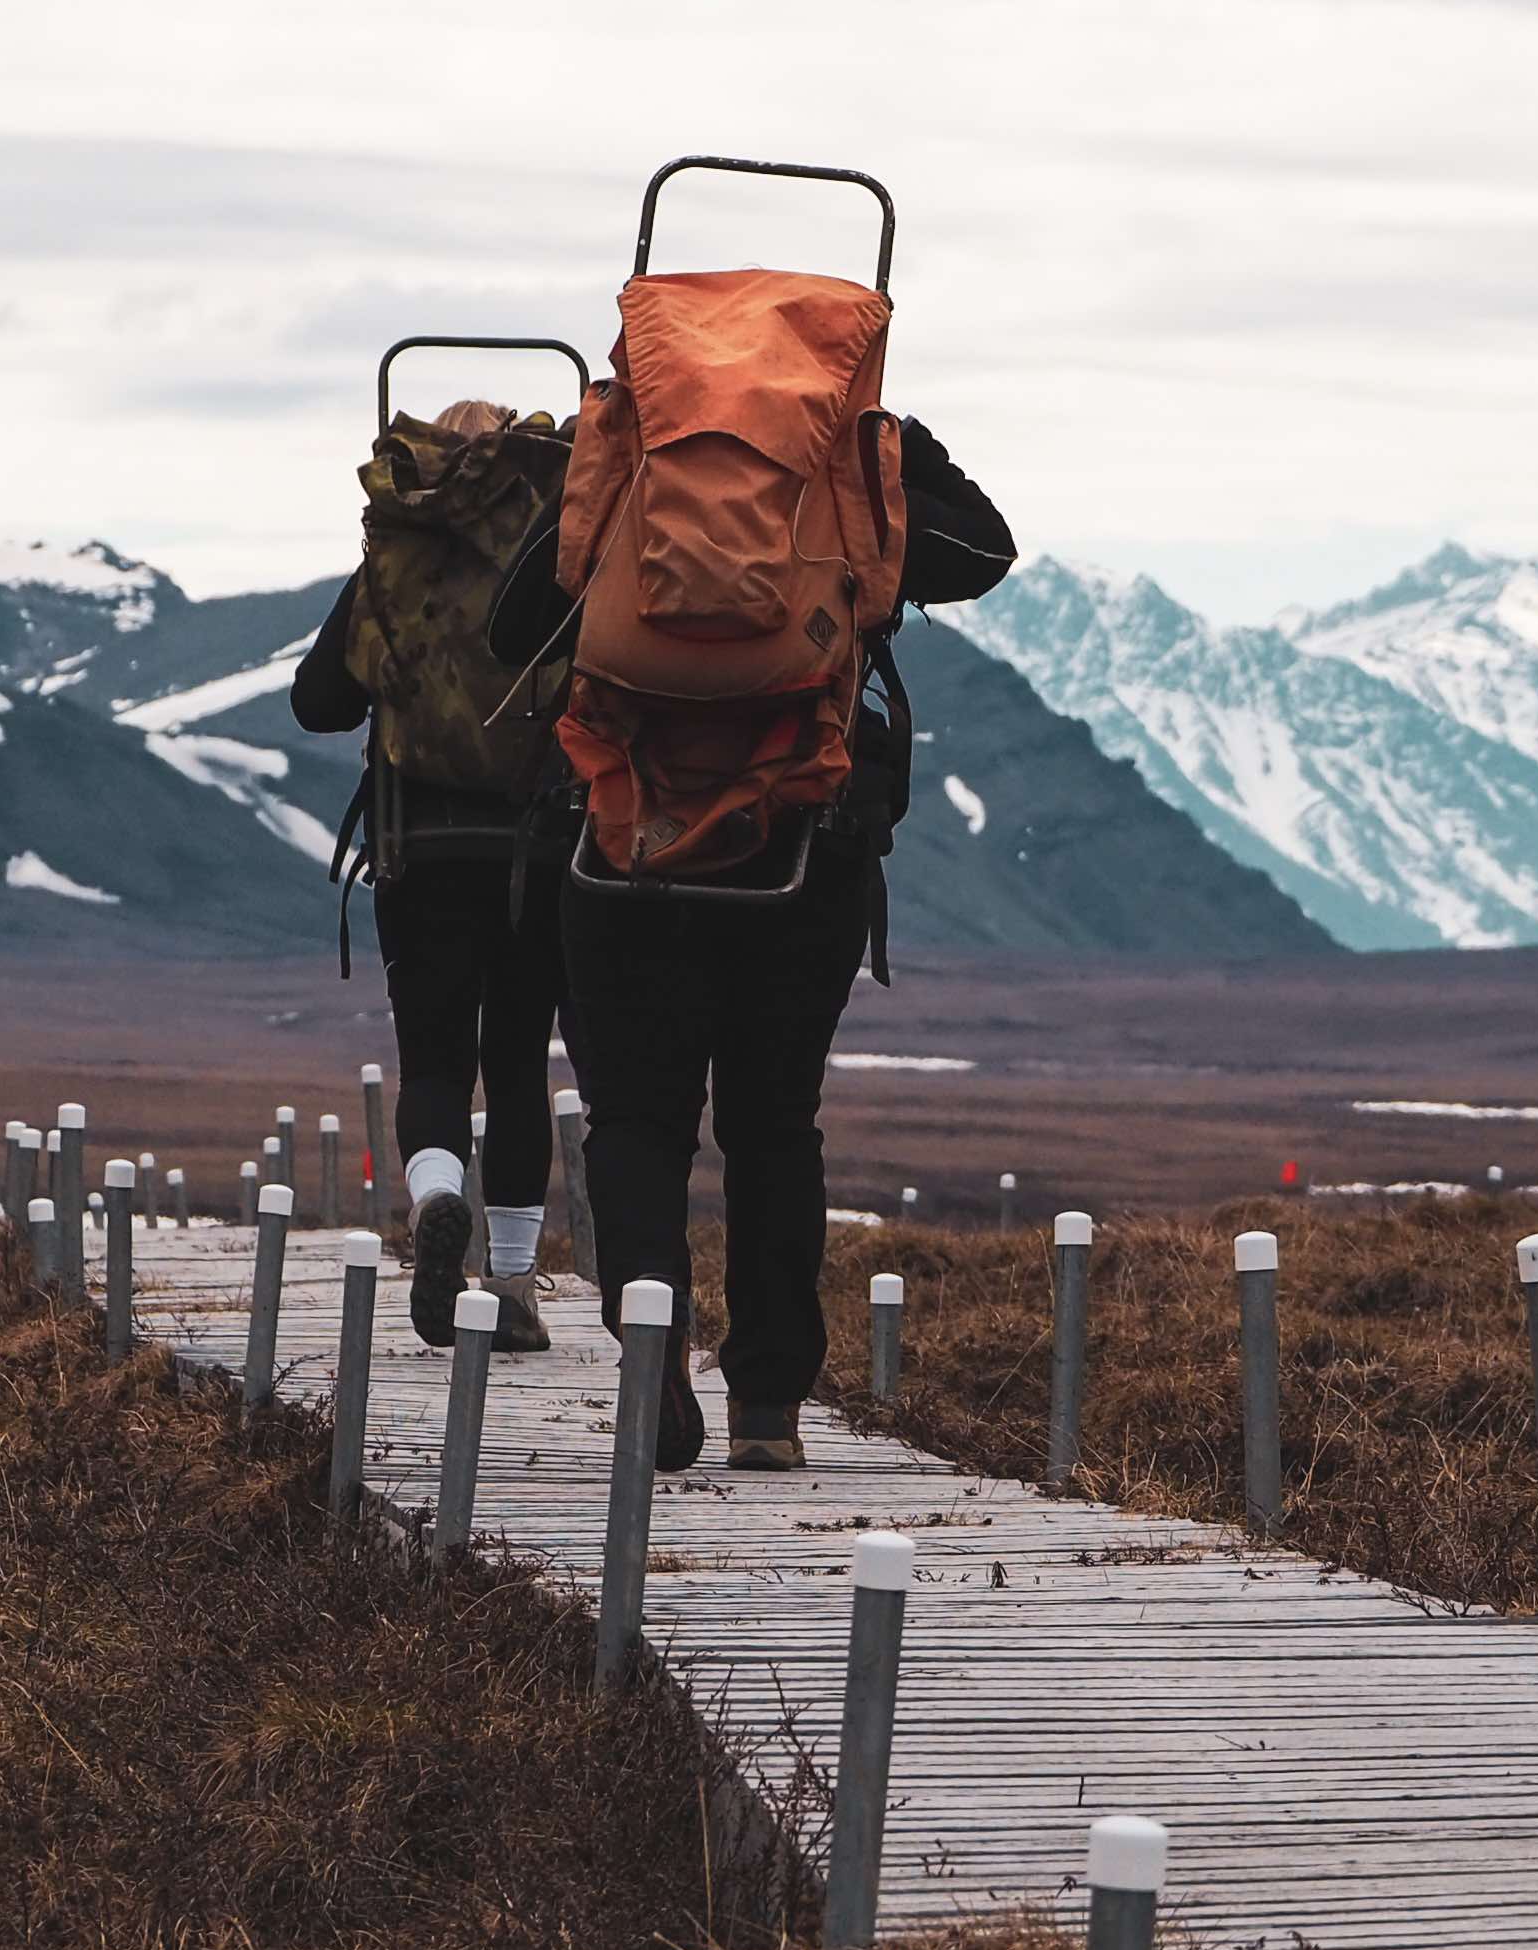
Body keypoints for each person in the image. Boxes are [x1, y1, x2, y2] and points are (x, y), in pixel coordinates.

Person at [488, 420, 1014, 1473]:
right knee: (776, 1129)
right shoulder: (854, 475)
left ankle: (653, 1355)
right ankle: (767, 1405)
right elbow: (986, 554)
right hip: (801, 856)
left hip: (627, 857)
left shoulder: (637, 465)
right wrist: (901, 449)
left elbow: (515, 628)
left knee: (636, 1123)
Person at [289, 396, 580, 1350]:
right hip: (541, 850)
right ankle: (512, 1284)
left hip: (423, 850)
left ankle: (435, 1200)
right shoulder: (561, 545)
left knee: (436, 1057)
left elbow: (319, 702)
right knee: (519, 1061)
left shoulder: (398, 548)